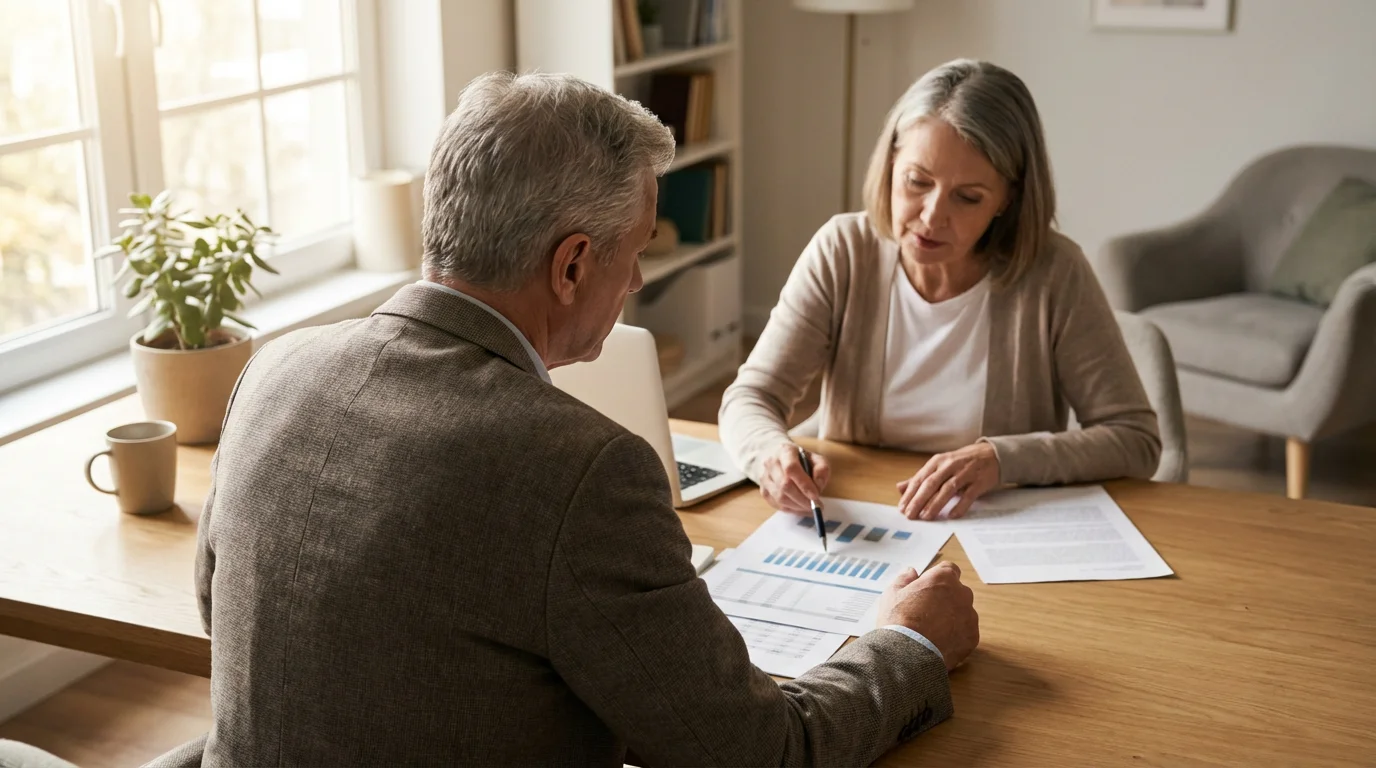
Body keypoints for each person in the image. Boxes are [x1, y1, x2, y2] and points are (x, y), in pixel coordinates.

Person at [148, 72, 979, 767]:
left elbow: (228, 621)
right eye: (637, 250)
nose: (640, 280)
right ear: (575, 264)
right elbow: (756, 752)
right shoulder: (580, 469)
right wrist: (906, 645)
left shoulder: (272, 370)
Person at [720, 59, 1161, 522]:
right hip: (866, 515)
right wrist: (771, 453)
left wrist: (1000, 459)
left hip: (998, 524)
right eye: (917, 182)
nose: (931, 217)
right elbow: (752, 397)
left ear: (1007, 199)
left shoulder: (1055, 272)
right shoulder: (843, 250)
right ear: (890, 163)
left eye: (967, 197)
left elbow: (1135, 440)